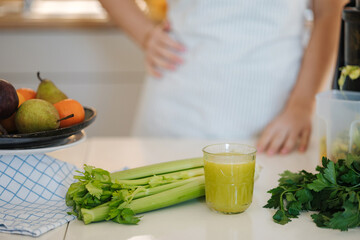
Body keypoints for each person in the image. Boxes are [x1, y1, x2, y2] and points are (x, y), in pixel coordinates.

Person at [99, 0, 348, 155]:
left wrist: (301, 105)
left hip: (277, 117)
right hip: (177, 111)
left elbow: (329, 11)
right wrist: (145, 35)